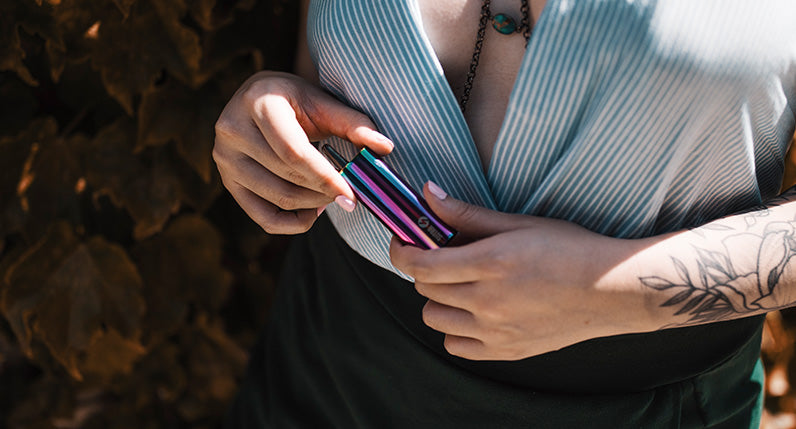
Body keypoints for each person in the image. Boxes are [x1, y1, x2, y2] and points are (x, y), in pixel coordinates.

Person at [214, 0, 796, 427]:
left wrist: (612, 289)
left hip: (631, 403)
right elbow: (323, 51)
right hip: (332, 359)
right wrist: (273, 108)